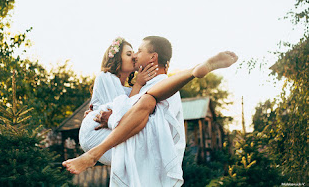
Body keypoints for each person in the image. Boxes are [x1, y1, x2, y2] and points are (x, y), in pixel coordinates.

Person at [63, 36, 238, 186]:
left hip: (148, 148)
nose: (135, 56)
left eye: (139, 51)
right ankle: (192, 72)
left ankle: (193, 72)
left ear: (153, 57)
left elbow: (146, 122)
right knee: (146, 99)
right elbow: (126, 107)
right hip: (122, 142)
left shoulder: (161, 88)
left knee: (147, 99)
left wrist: (111, 119)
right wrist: (99, 111)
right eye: (131, 53)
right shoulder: (144, 87)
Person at [77, 37, 158, 165]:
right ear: (116, 59)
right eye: (128, 54)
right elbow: (123, 113)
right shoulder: (105, 76)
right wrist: (138, 84)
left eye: (134, 53)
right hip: (94, 133)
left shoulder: (128, 90)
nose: (134, 57)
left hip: (109, 134)